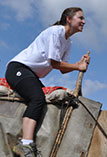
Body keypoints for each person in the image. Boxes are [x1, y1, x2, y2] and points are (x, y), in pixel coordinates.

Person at [5, 7, 90, 157]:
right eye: (80, 18)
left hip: (31, 74)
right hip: (18, 68)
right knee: (37, 98)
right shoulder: (55, 32)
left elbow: (63, 69)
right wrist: (78, 66)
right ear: (69, 19)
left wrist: (79, 64)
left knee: (46, 101)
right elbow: (54, 63)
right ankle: (25, 145)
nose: (84, 21)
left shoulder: (68, 42)